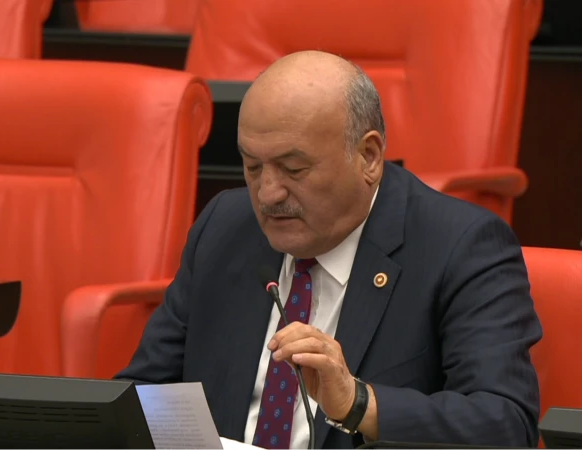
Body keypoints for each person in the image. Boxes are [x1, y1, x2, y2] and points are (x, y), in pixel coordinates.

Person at [116, 50, 542, 450]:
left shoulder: (460, 246)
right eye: (252, 166)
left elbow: (504, 423)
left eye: (293, 169)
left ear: (368, 157)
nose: (267, 192)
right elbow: (144, 392)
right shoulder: (226, 225)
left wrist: (359, 404)